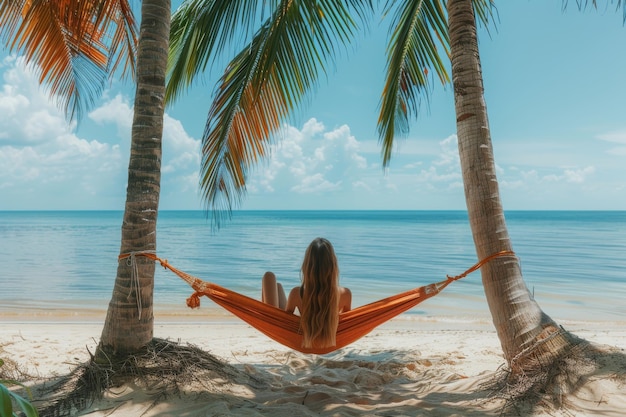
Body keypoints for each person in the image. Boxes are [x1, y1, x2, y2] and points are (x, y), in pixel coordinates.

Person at [262, 237, 351, 349]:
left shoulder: (297, 293)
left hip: (303, 341)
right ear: (333, 266)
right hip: (327, 340)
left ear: (307, 266)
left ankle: (262, 320)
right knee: (278, 287)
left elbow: (286, 320)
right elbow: (346, 323)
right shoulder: (345, 294)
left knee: (268, 276)